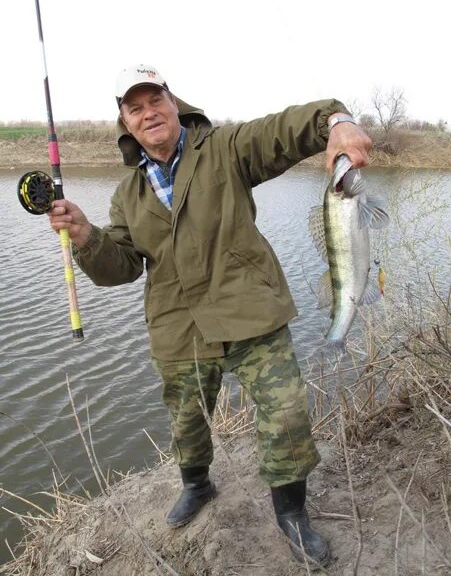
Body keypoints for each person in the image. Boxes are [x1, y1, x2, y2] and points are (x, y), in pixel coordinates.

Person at [48, 64, 372, 567]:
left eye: (155, 99)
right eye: (134, 108)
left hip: (251, 311)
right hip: (178, 327)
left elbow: (285, 129)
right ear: (124, 123)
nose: (148, 112)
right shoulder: (126, 195)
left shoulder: (226, 148)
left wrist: (336, 121)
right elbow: (122, 268)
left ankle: (291, 513)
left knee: (285, 414)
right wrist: (87, 237)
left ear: (174, 103)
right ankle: (196, 484)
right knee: (187, 422)